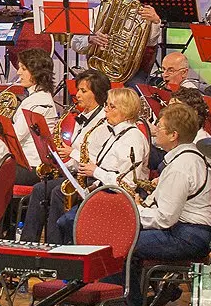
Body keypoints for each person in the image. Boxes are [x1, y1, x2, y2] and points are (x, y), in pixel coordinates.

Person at [108, 102, 211, 306]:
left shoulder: (181, 166)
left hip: (187, 236)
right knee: (122, 239)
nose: (154, 128)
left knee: (118, 246)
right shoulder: (184, 158)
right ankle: (127, 305)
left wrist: (131, 216)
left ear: (174, 135)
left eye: (159, 126)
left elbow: (165, 219)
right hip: (185, 230)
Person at [19, 69, 109, 243]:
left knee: (56, 192)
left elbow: (97, 158)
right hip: (74, 173)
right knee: (39, 189)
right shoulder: (81, 117)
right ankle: (27, 244)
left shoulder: (104, 122)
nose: (78, 95)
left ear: (97, 93)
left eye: (84, 91)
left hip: (90, 178)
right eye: (78, 90)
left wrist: (71, 153)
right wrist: (58, 163)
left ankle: (56, 246)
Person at [53, 87, 150, 241]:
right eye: (106, 105)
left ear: (126, 110)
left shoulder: (133, 139)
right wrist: (92, 185)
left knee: (68, 222)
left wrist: (95, 172)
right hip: (105, 191)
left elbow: (128, 184)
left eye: (111, 106)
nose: (105, 110)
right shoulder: (116, 134)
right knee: (63, 217)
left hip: (120, 199)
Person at [70, 0, 162, 87]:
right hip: (100, 70)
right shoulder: (93, 12)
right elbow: (75, 44)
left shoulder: (138, 11)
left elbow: (150, 43)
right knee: (77, 86)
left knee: (136, 91)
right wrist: (90, 39)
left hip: (130, 73)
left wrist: (155, 21)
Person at [11, 49, 58, 186]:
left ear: (37, 72)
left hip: (33, 166)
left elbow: (15, 136)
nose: (18, 72)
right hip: (23, 162)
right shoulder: (36, 97)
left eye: (23, 68)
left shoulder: (39, 100)